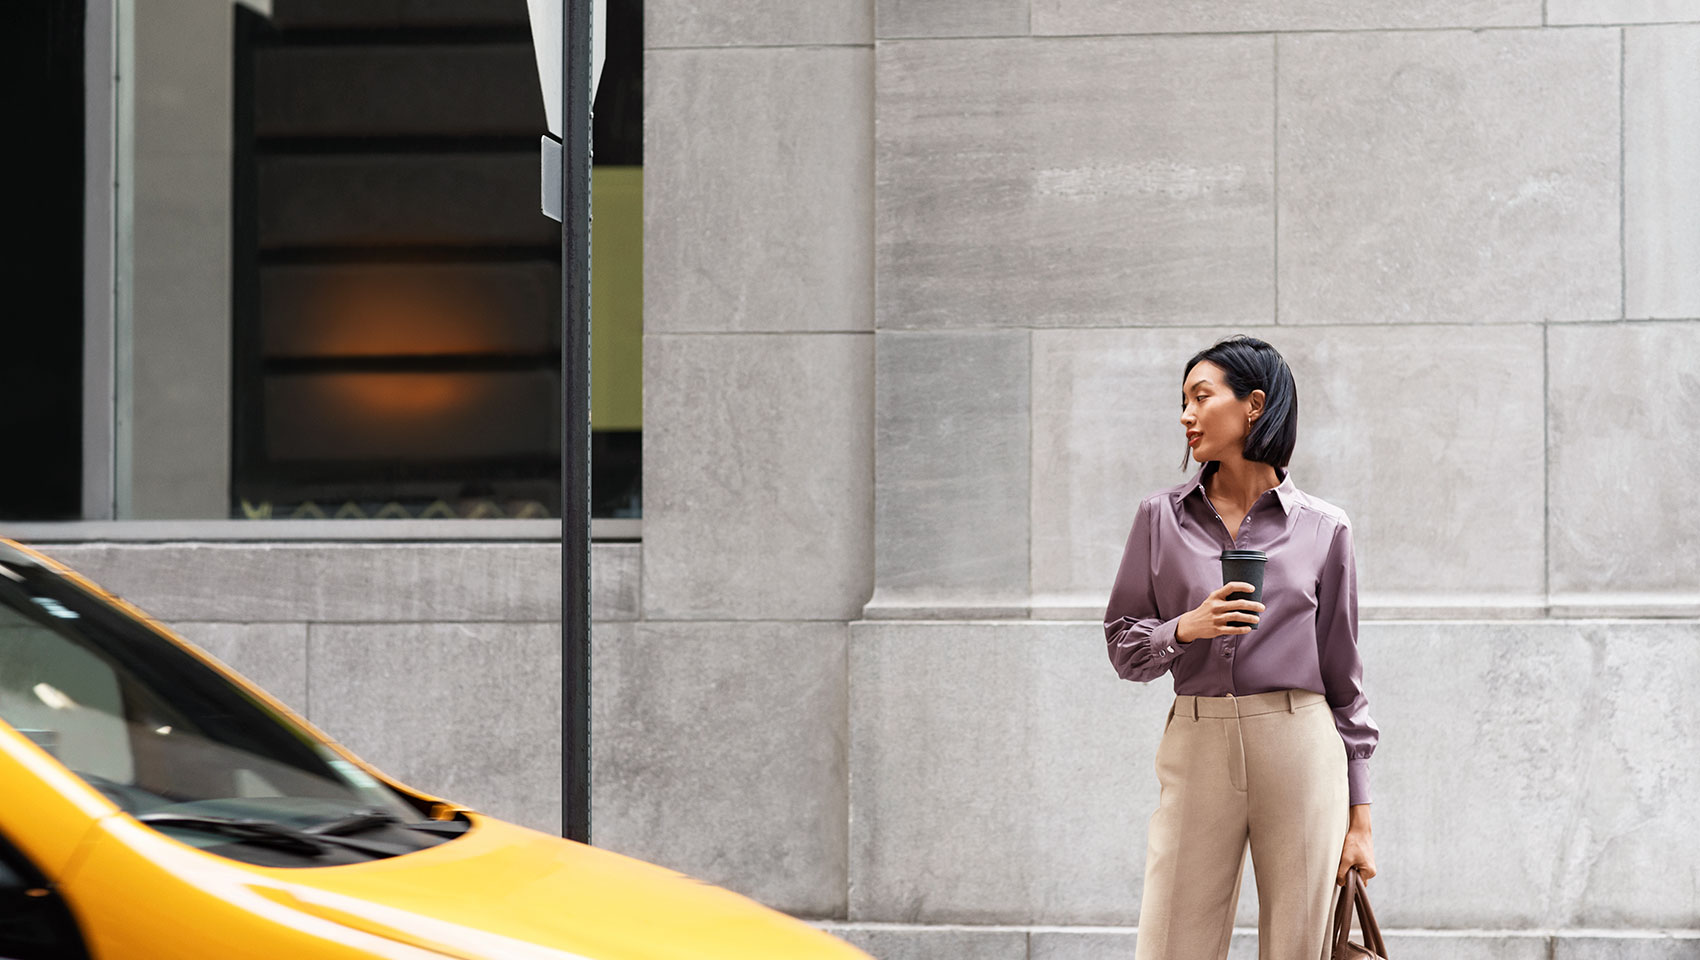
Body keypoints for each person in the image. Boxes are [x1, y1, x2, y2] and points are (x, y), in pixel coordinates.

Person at [1104, 335, 1379, 960]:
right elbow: (1123, 646)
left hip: (1299, 740)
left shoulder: (1324, 528)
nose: (1186, 415)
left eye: (1202, 396)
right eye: (1183, 400)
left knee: (1298, 947)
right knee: (1171, 942)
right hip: (1197, 740)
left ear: (1254, 405)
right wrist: (1184, 628)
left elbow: (1344, 676)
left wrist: (1360, 820)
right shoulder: (1160, 518)